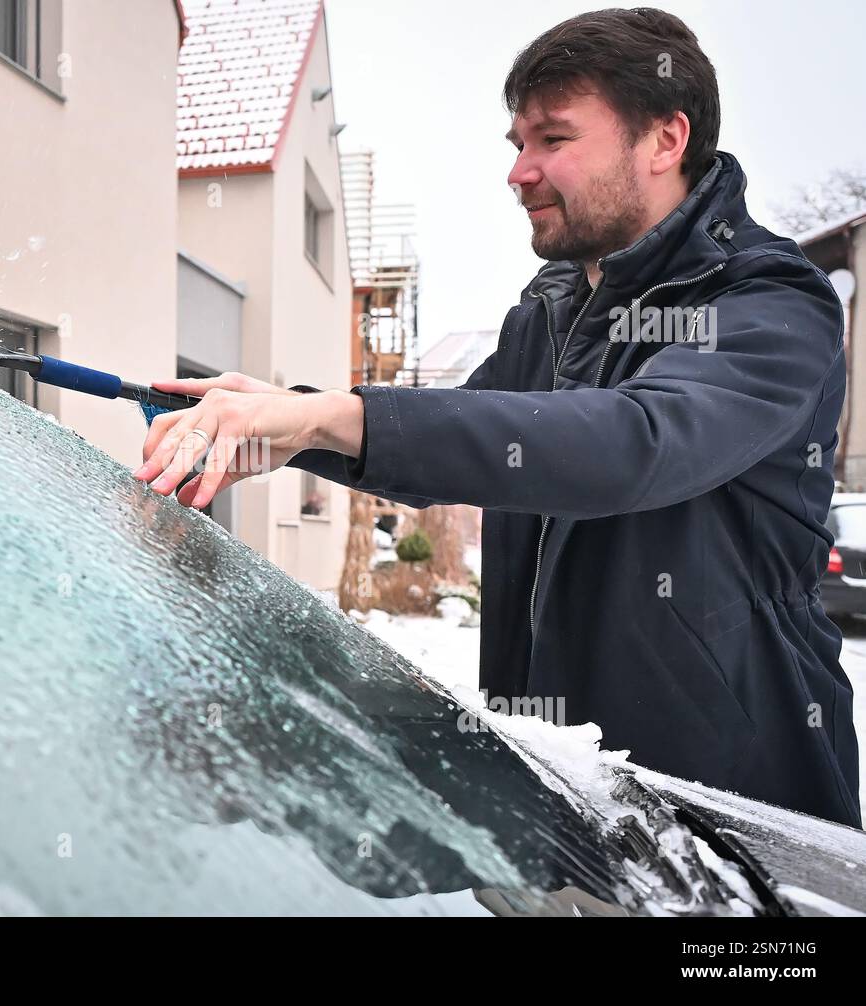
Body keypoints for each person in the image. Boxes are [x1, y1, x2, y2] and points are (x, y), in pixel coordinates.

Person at [132, 8, 860, 827]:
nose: (520, 171)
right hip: (563, 790)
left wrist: (332, 417)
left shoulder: (769, 304)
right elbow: (459, 438)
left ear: (664, 140)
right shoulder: (551, 312)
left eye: (553, 139)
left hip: (739, 824)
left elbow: (634, 443)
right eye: (517, 144)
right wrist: (285, 419)